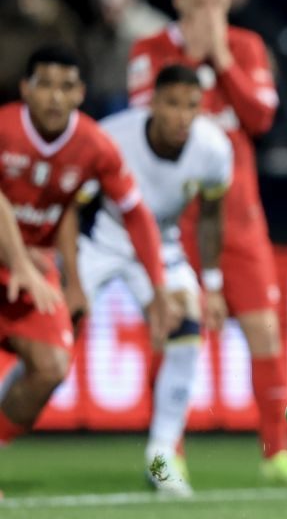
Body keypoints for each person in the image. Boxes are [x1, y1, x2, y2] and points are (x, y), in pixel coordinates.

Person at [127, 0, 287, 488]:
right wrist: (194, 57)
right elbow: (154, 127)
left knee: (264, 333)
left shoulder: (246, 47)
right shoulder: (149, 51)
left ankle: (275, 452)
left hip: (239, 218)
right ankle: (165, 457)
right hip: (174, 221)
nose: (213, 9)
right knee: (174, 335)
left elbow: (260, 116)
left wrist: (221, 60)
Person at [63, 64, 232, 495]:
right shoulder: (111, 135)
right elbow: (70, 204)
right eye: (172, 104)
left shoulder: (213, 148)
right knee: (50, 341)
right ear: (152, 102)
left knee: (186, 330)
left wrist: (211, 284)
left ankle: (161, 458)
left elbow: (211, 217)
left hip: (162, 248)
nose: (181, 116)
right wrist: (64, 269)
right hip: (102, 239)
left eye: (191, 106)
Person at [0, 45, 171, 447]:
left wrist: (159, 288)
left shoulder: (95, 146)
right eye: (45, 85)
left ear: (81, 94)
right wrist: (22, 263)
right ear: (25, 89)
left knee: (52, 367)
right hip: (24, 267)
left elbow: (135, 214)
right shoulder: (4, 129)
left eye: (67, 87)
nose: (55, 97)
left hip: (34, 275)